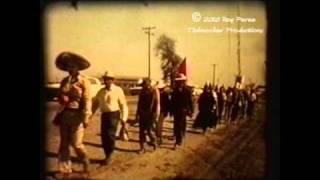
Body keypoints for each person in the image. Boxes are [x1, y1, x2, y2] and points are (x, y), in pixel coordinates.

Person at [54, 52, 91, 174]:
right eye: (68, 66)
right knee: (64, 144)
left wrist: (86, 117)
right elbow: (59, 95)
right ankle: (66, 170)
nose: (70, 69)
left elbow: (87, 99)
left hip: (77, 115)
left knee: (77, 144)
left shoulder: (84, 81)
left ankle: (85, 160)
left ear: (78, 67)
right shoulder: (64, 81)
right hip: (65, 115)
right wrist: (62, 97)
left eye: (72, 66)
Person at [91, 70, 129, 165]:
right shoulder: (101, 91)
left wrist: (124, 118)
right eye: (105, 79)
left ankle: (110, 155)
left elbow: (123, 105)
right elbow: (95, 104)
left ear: (113, 80)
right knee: (104, 136)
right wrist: (89, 115)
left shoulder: (118, 90)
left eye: (109, 79)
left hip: (114, 115)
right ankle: (107, 155)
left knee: (110, 135)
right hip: (104, 115)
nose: (106, 81)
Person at [136, 78, 160, 153]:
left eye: (145, 84)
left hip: (151, 114)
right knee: (141, 132)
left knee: (149, 130)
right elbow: (139, 103)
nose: (143, 86)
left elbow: (156, 103)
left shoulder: (154, 91)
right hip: (142, 114)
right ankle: (142, 147)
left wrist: (156, 114)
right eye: (143, 84)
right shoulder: (142, 92)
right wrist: (137, 114)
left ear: (149, 83)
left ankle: (154, 141)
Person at [171, 73, 193, 149]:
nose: (180, 82)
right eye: (178, 81)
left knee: (180, 125)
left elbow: (190, 101)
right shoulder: (175, 90)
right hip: (176, 111)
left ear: (183, 81)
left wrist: (191, 111)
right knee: (177, 125)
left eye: (181, 81)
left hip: (183, 110)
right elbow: (172, 101)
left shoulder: (187, 90)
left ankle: (178, 141)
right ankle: (179, 137)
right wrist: (171, 111)